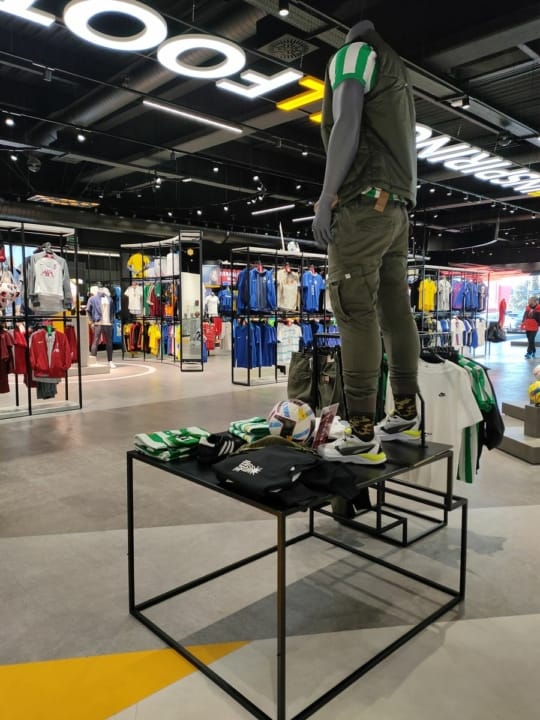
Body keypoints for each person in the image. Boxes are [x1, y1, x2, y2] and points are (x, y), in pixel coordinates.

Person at [312, 19, 421, 466]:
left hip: (362, 204)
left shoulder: (354, 53)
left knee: (354, 312)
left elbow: (347, 122)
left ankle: (360, 435)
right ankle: (406, 415)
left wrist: (326, 197)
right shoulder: (397, 68)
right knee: (394, 311)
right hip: (396, 209)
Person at [87, 286, 116, 368]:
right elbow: (88, 311)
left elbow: (113, 310)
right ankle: (93, 360)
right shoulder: (92, 299)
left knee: (109, 342)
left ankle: (110, 361)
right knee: (96, 341)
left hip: (108, 323)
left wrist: (112, 321)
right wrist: (91, 322)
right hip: (98, 322)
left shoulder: (109, 299)